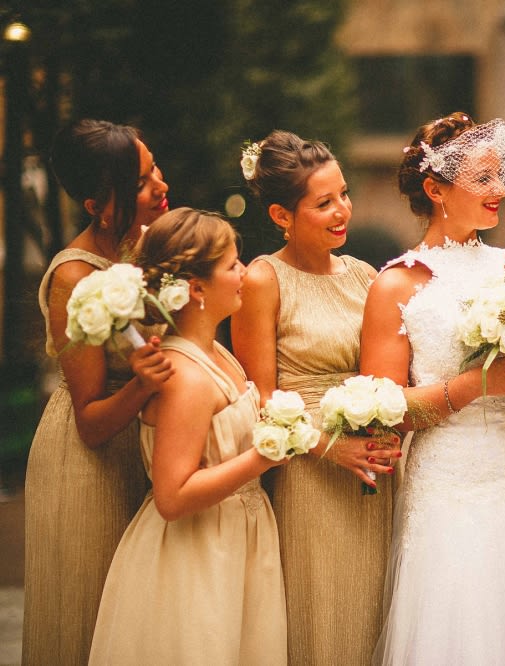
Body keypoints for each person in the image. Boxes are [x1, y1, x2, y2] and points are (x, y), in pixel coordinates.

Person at [360, 112, 505, 664]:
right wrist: (478, 383)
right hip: (450, 489)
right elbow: (383, 413)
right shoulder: (395, 284)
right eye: (482, 178)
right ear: (436, 189)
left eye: (498, 174)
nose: (499, 188)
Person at [88, 207, 287, 664]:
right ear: (196, 287)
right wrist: (263, 457)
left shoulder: (216, 352)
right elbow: (172, 497)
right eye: (233, 264)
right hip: (198, 553)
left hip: (235, 541)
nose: (244, 272)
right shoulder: (186, 376)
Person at [230, 130, 398, 664]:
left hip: (371, 472)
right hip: (309, 473)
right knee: (321, 618)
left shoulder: (364, 276)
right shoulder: (263, 279)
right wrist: (332, 447)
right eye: (324, 203)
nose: (342, 210)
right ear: (282, 214)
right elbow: (259, 399)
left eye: (343, 194)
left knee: (372, 613)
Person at [22, 119, 173, 664]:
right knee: (89, 619)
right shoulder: (74, 277)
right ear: (97, 205)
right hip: (90, 461)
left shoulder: (155, 247)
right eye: (139, 181)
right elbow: (88, 419)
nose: (160, 183)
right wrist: (142, 386)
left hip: (152, 449)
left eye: (153, 166)